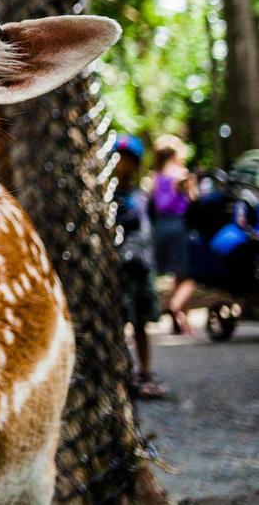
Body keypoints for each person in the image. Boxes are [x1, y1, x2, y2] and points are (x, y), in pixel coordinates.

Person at [112, 135, 166, 399]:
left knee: (142, 322)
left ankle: (145, 371)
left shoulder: (141, 196)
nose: (122, 166)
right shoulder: (109, 196)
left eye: (128, 161)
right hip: (120, 268)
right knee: (121, 320)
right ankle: (125, 371)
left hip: (142, 266)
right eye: (118, 160)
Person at [150, 134, 197, 335]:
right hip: (178, 225)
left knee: (173, 274)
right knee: (188, 274)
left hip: (160, 225)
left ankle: (179, 322)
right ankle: (175, 305)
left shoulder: (156, 176)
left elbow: (153, 203)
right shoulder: (181, 174)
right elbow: (194, 200)